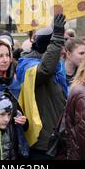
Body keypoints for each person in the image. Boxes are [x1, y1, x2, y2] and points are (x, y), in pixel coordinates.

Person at [16, 14, 67, 160]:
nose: (62, 51)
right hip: (42, 144)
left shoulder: (57, 66)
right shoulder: (28, 67)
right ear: (48, 48)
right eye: (58, 47)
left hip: (58, 139)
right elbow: (45, 69)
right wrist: (57, 38)